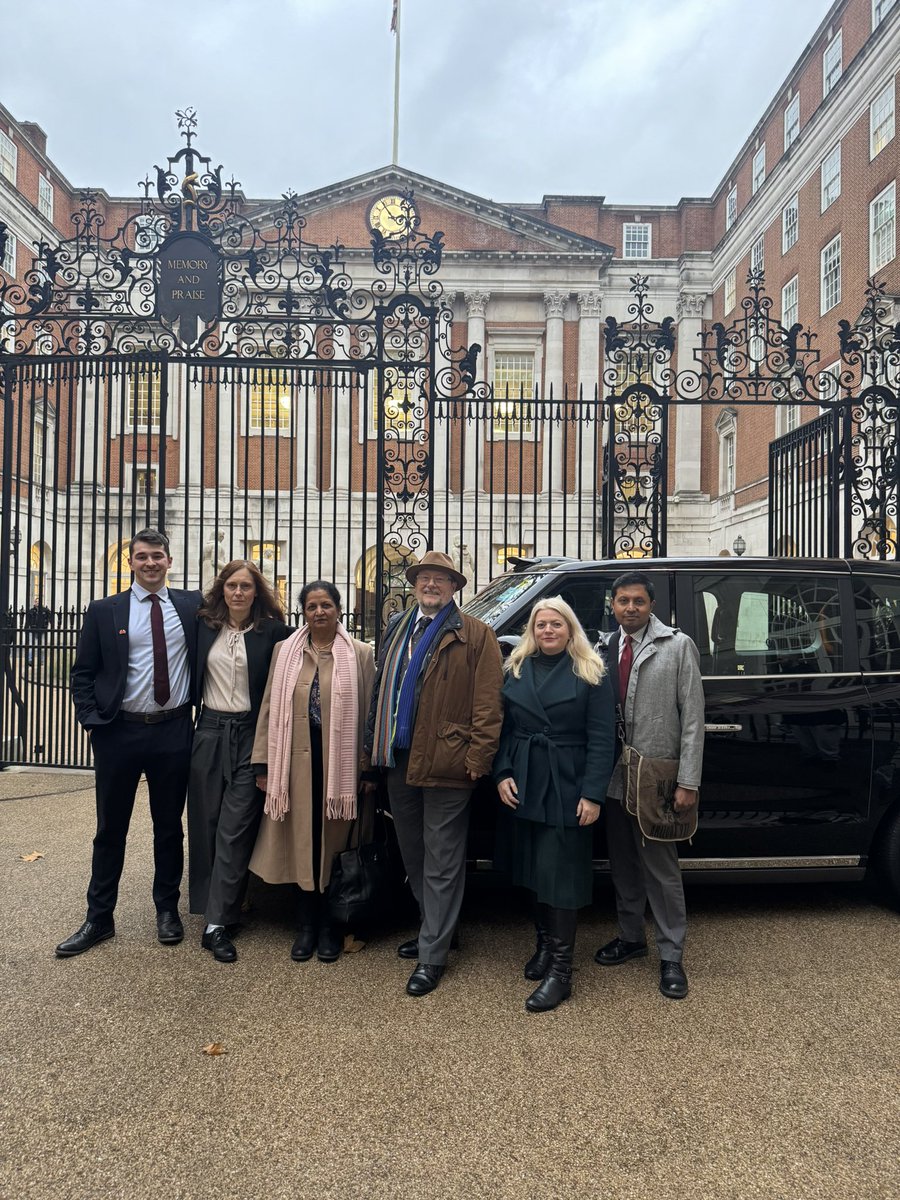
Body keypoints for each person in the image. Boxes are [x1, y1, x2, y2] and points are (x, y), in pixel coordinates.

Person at [57, 528, 202, 957]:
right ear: (131, 562)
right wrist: (92, 721)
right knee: (110, 830)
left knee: (169, 828)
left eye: (157, 556)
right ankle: (99, 918)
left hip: (174, 729)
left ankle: (167, 911)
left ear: (169, 561)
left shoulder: (191, 606)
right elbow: (83, 671)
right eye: (142, 557)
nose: (150, 563)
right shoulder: (105, 610)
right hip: (119, 732)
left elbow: (244, 621)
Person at [366, 549, 504, 997]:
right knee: (414, 853)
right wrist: (373, 748)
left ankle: (433, 955)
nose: (430, 585)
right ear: (415, 583)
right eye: (425, 578)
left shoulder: (476, 634)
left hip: (449, 758)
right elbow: (381, 688)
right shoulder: (397, 626)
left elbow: (488, 706)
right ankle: (439, 929)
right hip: (399, 756)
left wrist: (477, 761)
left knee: (443, 858)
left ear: (454, 588)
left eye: (440, 580)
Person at [493, 597, 615, 1012]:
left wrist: (593, 793)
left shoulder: (591, 671)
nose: (548, 631)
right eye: (541, 624)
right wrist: (503, 772)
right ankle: (544, 946)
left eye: (556, 625)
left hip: (568, 781)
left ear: (570, 630)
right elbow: (505, 730)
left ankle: (561, 971)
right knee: (532, 866)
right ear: (532, 629)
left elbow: (602, 739)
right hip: (526, 777)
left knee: (561, 872)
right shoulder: (517, 667)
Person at [249, 581, 375, 963]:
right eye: (311, 606)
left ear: (339, 609)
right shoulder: (284, 652)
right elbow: (270, 707)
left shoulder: (360, 654)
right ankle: (305, 923)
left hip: (342, 766)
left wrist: (369, 770)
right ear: (303, 612)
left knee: (334, 845)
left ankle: (330, 926)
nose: (319, 612)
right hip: (294, 764)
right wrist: (263, 764)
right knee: (303, 840)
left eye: (326, 605)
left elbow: (370, 713)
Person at [594, 570, 704, 1000]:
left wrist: (688, 781)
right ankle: (630, 937)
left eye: (638, 600)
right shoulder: (603, 647)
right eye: (623, 601)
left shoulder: (677, 646)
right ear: (613, 605)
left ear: (651, 604)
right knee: (622, 863)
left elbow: (693, 719)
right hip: (615, 776)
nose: (630, 608)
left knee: (661, 869)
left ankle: (672, 955)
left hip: (658, 777)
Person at [187, 560, 291, 963]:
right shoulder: (203, 626)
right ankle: (215, 905)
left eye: (246, 586)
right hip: (208, 732)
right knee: (206, 823)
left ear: (257, 591)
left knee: (234, 828)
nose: (238, 593)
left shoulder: (273, 634)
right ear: (221, 590)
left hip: (251, 735)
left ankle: (218, 923)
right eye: (232, 585)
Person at [25, 600, 52, 668]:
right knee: (31, 645)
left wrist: (48, 625)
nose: (37, 602)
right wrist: (26, 628)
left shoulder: (45, 610)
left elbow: (50, 618)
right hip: (32, 630)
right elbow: (28, 620)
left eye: (38, 601)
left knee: (42, 646)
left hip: (42, 631)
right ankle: (30, 660)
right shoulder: (31, 610)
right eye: (36, 601)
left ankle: (41, 661)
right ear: (34, 603)